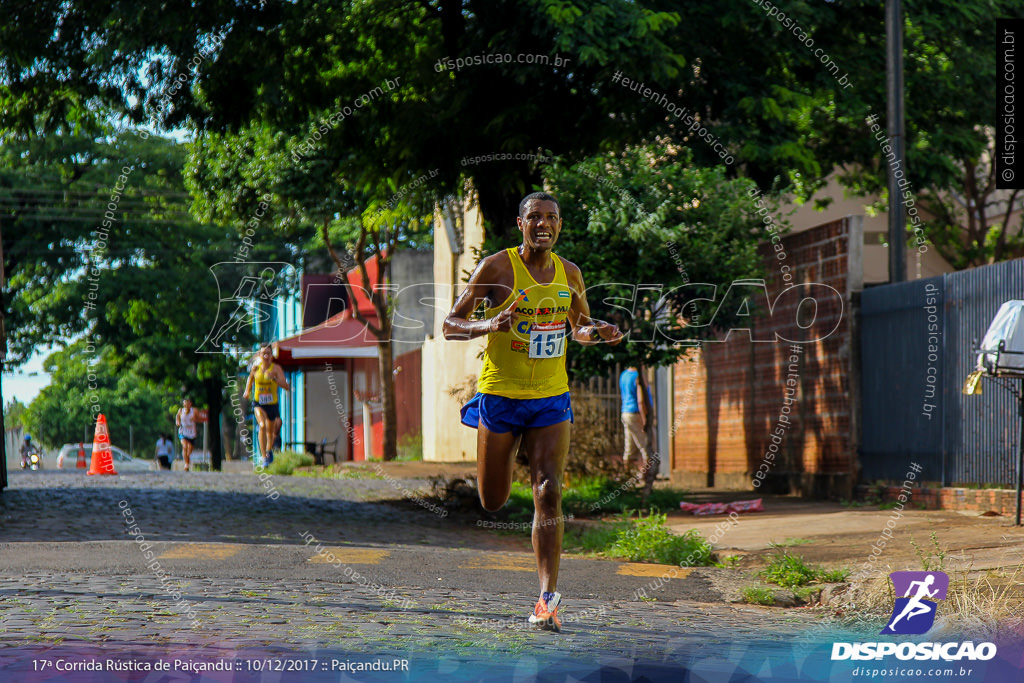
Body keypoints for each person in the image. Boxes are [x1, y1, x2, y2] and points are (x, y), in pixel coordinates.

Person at [443, 192, 622, 632]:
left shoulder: (570, 273)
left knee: (548, 490)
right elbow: (451, 324)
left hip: (549, 397)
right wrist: (490, 324)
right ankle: (498, 455)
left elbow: (578, 327)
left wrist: (597, 331)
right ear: (520, 224)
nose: (544, 224)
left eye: (552, 218)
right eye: (535, 217)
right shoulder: (496, 268)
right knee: (493, 500)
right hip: (501, 396)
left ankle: (547, 599)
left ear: (560, 226)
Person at [243, 343, 291, 468]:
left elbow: (286, 386)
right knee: (262, 426)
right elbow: (250, 378)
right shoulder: (256, 367)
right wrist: (247, 391)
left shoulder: (276, 369)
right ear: (260, 354)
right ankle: (263, 456)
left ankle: (269, 451)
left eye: (268, 353)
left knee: (271, 432)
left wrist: (274, 379)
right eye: (263, 353)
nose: (265, 356)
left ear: (271, 355)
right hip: (259, 402)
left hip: (272, 404)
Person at [619, 365, 651, 472]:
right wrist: (645, 420)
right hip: (636, 413)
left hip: (625, 413)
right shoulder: (638, 377)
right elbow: (641, 401)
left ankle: (627, 475)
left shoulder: (623, 375)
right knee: (646, 446)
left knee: (630, 447)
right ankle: (648, 476)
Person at [175, 398, 199, 471]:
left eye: (188, 403)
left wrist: (194, 419)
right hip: (183, 432)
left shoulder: (194, 410)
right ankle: (186, 464)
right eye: (185, 403)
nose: (186, 405)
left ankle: (187, 461)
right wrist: (178, 422)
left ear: (190, 404)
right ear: (183, 404)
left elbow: (198, 418)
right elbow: (177, 417)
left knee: (189, 451)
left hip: (192, 433)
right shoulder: (181, 410)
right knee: (185, 446)